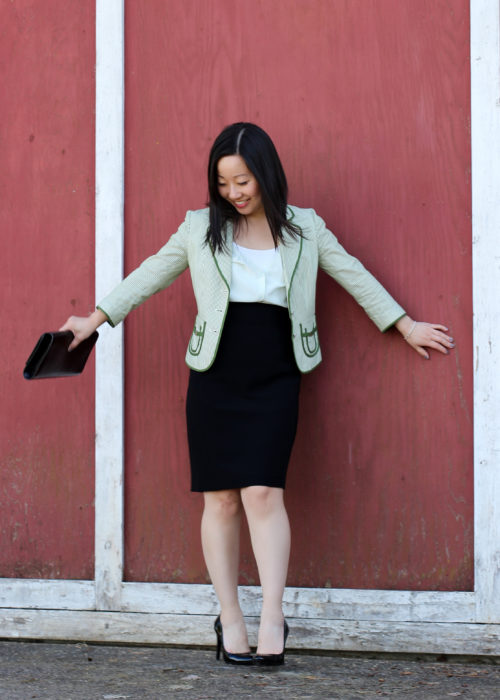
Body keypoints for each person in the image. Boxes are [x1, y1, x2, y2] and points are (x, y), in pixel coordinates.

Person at [61, 122, 454, 666]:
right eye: (223, 183)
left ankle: (273, 614)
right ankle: (230, 618)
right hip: (215, 373)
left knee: (264, 494)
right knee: (220, 499)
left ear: (265, 173)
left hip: (275, 371)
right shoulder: (200, 228)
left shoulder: (306, 229)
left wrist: (404, 324)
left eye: (242, 180)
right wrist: (97, 318)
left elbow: (353, 274)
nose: (234, 193)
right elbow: (151, 273)